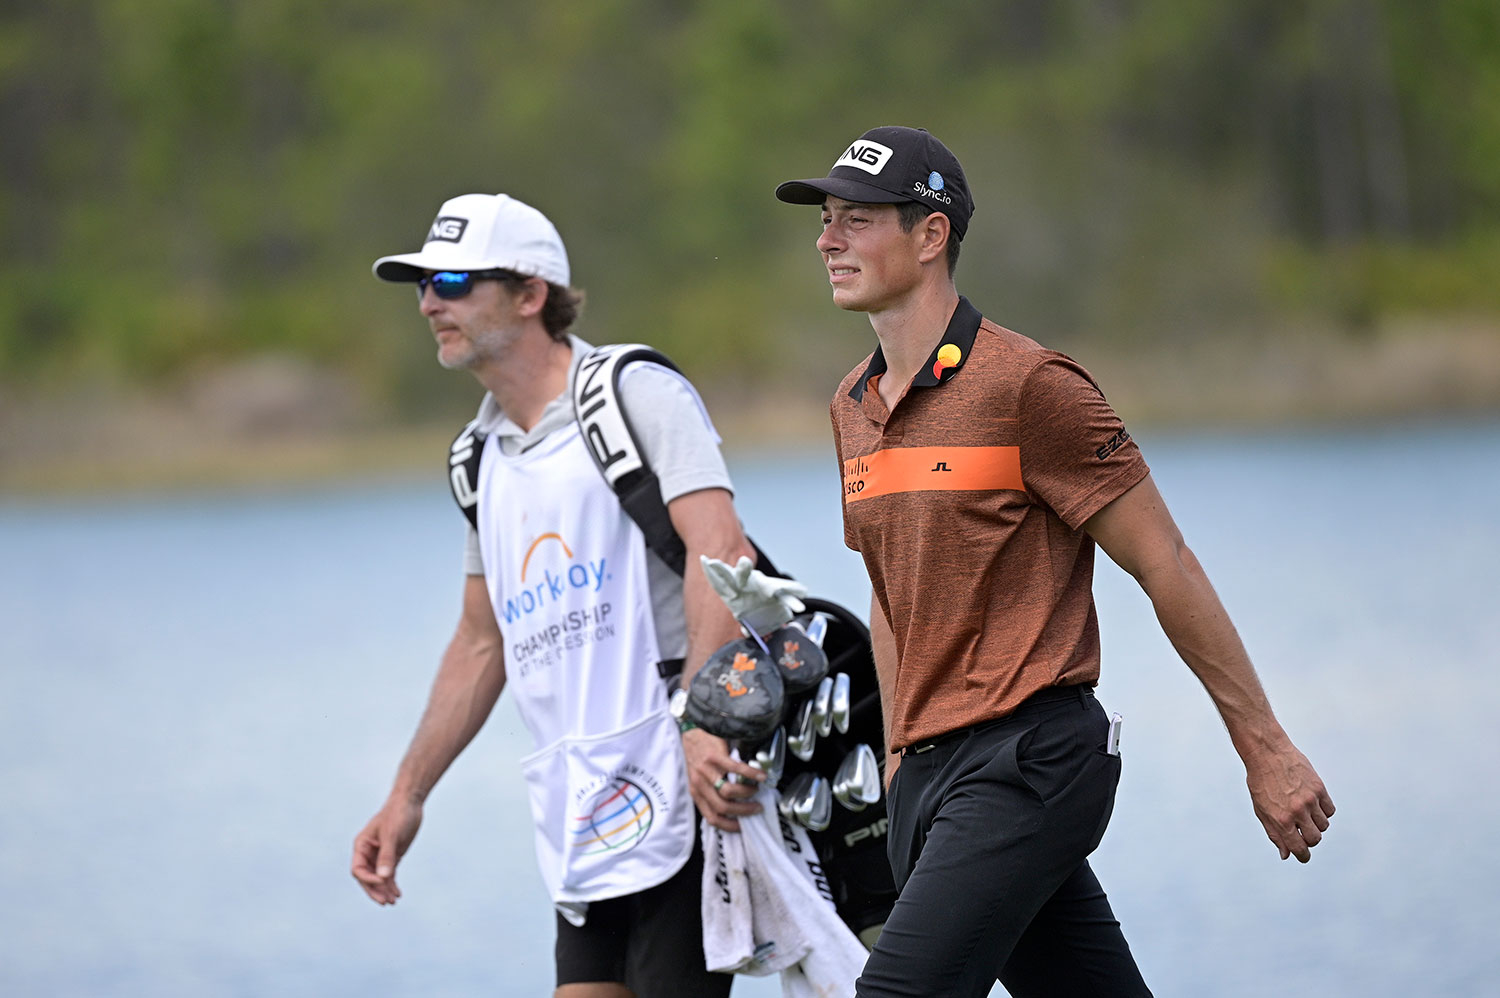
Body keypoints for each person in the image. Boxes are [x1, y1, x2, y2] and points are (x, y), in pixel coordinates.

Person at [774, 126, 1335, 997]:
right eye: (827, 219)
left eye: (859, 218)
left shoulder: (1032, 386)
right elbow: (890, 596)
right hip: (925, 776)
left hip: (1029, 762)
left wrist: (1265, 749)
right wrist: (893, 755)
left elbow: (1166, 564)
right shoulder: (853, 405)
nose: (828, 238)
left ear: (930, 237)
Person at [349, 192, 768, 998]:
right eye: (423, 285)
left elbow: (722, 552)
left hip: (681, 784)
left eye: (456, 280)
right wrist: (406, 796)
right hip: (579, 812)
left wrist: (703, 724)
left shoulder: (634, 393)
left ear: (531, 294)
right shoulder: (478, 458)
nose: (432, 301)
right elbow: (480, 642)